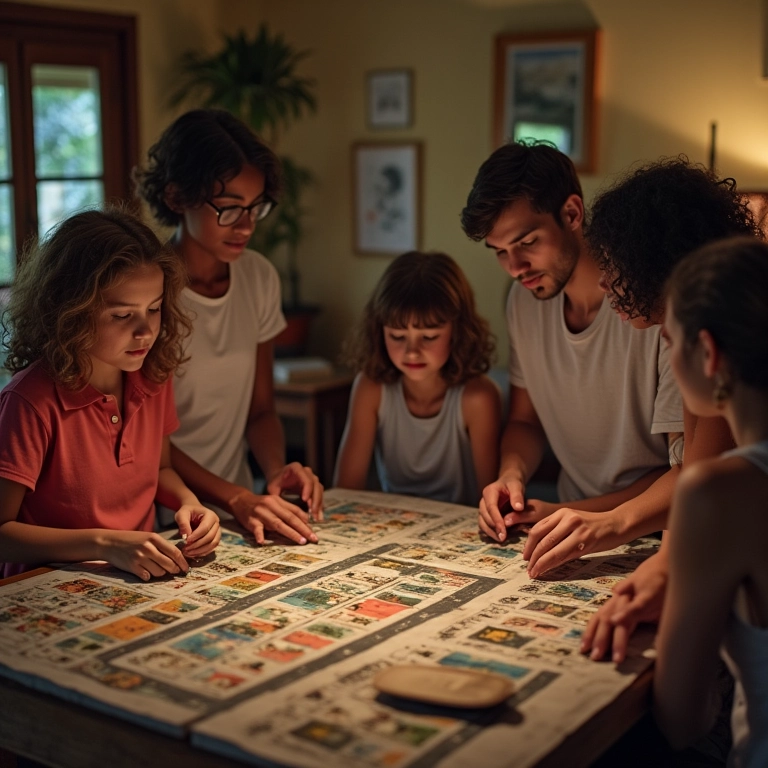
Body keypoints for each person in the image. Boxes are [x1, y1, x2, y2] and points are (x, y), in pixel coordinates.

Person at [460, 140, 683, 576]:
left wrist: (580, 513)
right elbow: (525, 422)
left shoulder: (650, 304)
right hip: (567, 527)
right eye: (500, 252)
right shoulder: (523, 301)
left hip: (656, 528)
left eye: (526, 242)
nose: (515, 267)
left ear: (573, 214)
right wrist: (512, 474)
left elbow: (686, 467)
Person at [580, 157, 759, 664]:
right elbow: (690, 473)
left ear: (655, 260)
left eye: (614, 264)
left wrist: (655, 560)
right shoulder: (685, 347)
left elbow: (700, 485)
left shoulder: (718, 364)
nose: (604, 282)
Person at [134, 108, 323, 546]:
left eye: (256, 206)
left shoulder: (257, 278)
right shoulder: (147, 295)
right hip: (164, 516)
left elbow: (260, 411)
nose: (247, 225)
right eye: (230, 208)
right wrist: (236, 497)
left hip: (239, 512)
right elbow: (147, 442)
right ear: (177, 197)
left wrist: (275, 474)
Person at [0, 208, 221, 580]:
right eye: (122, 316)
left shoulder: (153, 375)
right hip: (42, 590)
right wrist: (105, 543)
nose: (145, 332)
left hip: (135, 579)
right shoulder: (29, 401)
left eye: (154, 309)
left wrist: (189, 503)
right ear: (71, 312)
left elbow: (161, 468)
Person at [649, 237, 768, 764]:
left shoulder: (718, 493)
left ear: (709, 352)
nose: (669, 358)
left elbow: (681, 719)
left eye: (670, 341)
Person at [333, 251, 500, 507]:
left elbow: (491, 501)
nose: (412, 351)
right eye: (397, 337)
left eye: (430, 337)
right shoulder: (371, 388)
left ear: (458, 331)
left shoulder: (478, 398)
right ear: (379, 333)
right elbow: (346, 490)